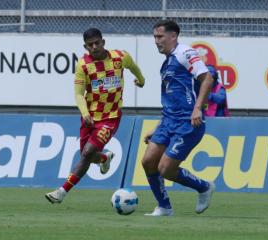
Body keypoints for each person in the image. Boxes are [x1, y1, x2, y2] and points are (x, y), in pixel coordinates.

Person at [45, 27, 145, 204]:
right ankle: (105, 158)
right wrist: (85, 113)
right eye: (90, 45)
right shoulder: (83, 65)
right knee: (88, 155)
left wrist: (141, 80)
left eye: (97, 43)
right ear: (85, 47)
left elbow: (134, 67)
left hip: (111, 116)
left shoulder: (121, 57)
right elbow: (78, 93)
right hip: (90, 117)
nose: (94, 47)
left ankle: (62, 192)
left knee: (87, 153)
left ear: (103, 42)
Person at [141, 20, 216, 216]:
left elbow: (207, 78)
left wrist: (197, 108)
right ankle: (164, 207)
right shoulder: (167, 62)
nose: (156, 41)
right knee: (148, 161)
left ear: (173, 36)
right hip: (168, 122)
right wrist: (157, 128)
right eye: (154, 37)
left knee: (165, 169)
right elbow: (171, 100)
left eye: (160, 37)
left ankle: (204, 187)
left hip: (188, 123)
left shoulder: (185, 53)